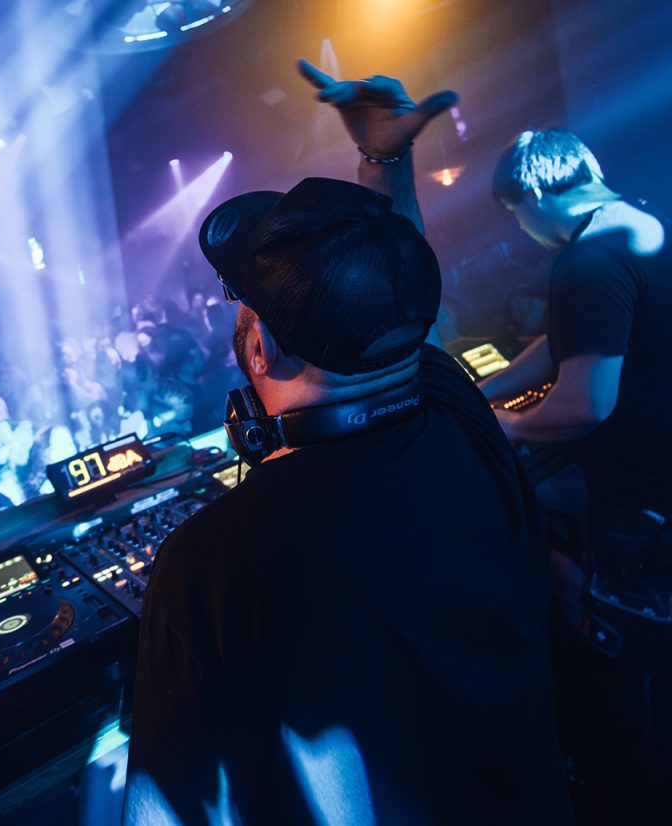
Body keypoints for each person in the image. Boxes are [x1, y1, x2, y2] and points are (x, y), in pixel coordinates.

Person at [124, 64, 571, 825]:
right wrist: (386, 161)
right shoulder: (458, 415)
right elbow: (399, 306)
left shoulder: (211, 562)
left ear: (260, 349)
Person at [484, 130, 672, 821]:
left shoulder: (585, 259)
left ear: (531, 195)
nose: (520, 228)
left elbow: (585, 405)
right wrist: (487, 391)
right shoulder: (641, 222)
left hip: (641, 505)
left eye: (514, 214)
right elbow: (572, 337)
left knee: (638, 686)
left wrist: (503, 427)